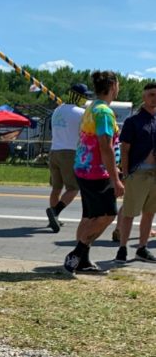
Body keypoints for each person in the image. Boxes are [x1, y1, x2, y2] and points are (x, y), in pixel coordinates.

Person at [63, 71, 124, 275]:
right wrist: (116, 179)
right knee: (108, 214)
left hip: (83, 168)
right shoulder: (104, 113)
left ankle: (82, 260)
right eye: (118, 84)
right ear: (113, 86)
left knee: (89, 216)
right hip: (97, 172)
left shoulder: (92, 107)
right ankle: (76, 254)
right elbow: (105, 147)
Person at [114, 82, 156, 265]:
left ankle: (142, 248)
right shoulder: (133, 121)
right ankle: (122, 248)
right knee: (130, 212)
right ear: (144, 98)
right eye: (151, 94)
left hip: (154, 175)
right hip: (137, 173)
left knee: (149, 213)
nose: (154, 98)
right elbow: (124, 149)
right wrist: (125, 173)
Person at [46, 82, 91, 232]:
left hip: (54, 151)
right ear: (79, 96)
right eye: (85, 96)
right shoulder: (80, 113)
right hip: (70, 152)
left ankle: (53, 219)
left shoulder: (57, 111)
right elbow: (86, 133)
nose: (85, 99)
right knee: (73, 188)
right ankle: (55, 212)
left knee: (56, 188)